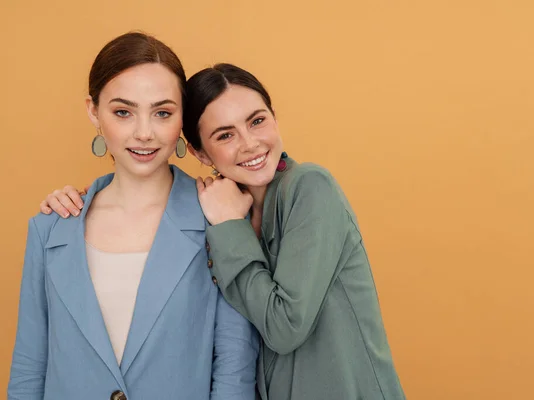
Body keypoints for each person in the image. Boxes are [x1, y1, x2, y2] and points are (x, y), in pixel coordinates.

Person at [41, 63, 406, 400]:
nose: (249, 143)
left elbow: (285, 326)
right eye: (225, 135)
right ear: (201, 154)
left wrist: (230, 227)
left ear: (275, 117)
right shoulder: (224, 208)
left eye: (257, 121)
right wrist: (84, 200)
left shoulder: (310, 188)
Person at [9, 34, 258, 400]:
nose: (144, 133)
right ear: (94, 112)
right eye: (123, 111)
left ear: (181, 119)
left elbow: (234, 369)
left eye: (162, 112)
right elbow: (30, 367)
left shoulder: (221, 218)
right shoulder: (50, 227)